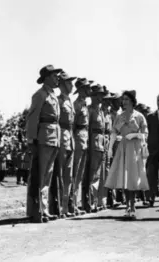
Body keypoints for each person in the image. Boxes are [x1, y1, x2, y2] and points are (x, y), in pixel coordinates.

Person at [105, 90, 149, 219]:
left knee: (133, 176)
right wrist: (110, 147)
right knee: (124, 176)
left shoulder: (139, 116)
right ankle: (127, 206)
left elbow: (145, 134)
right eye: (123, 99)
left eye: (126, 100)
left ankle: (133, 206)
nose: (124, 102)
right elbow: (114, 131)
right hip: (123, 147)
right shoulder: (120, 116)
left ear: (132, 101)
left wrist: (135, 135)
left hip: (135, 147)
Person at [26, 64, 62, 223]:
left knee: (47, 176)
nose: (57, 78)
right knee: (40, 176)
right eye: (54, 76)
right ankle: (37, 210)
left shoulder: (52, 95)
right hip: (43, 138)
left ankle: (44, 209)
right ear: (46, 78)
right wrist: (31, 140)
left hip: (54, 137)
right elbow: (33, 118)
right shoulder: (40, 95)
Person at [83, 84, 108, 213]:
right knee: (93, 174)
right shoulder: (90, 110)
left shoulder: (101, 111)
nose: (100, 98)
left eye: (101, 95)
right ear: (93, 96)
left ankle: (98, 200)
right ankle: (91, 201)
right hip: (93, 143)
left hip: (101, 144)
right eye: (98, 95)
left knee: (100, 174)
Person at [55, 72, 76, 218]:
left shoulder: (69, 101)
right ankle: (59, 207)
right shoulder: (58, 100)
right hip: (61, 136)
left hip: (70, 138)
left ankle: (66, 206)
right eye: (69, 82)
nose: (72, 85)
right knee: (60, 174)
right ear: (62, 85)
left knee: (68, 175)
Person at [71, 78, 92, 216]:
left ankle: (76, 203)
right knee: (75, 172)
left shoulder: (85, 104)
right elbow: (73, 124)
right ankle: (72, 203)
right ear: (82, 90)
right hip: (78, 138)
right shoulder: (77, 105)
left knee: (80, 174)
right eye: (87, 88)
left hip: (85, 139)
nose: (89, 90)